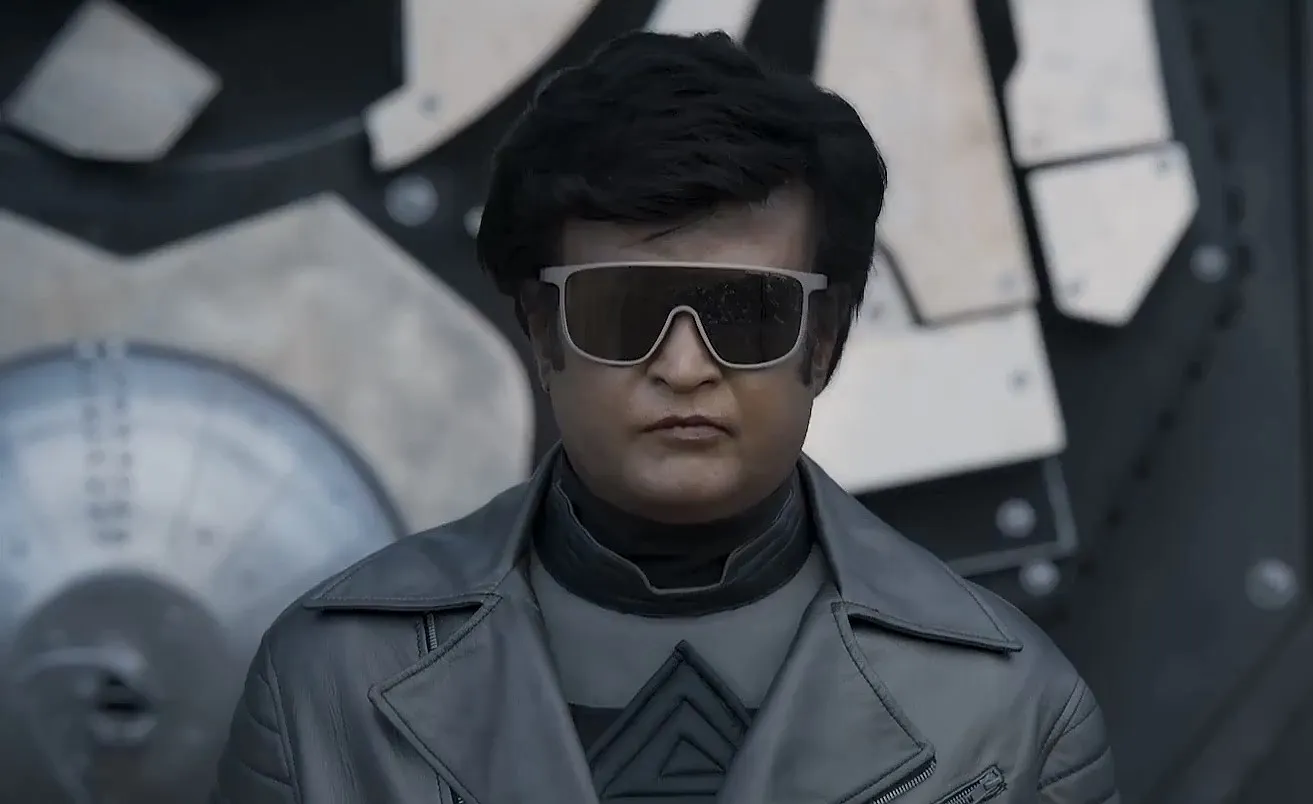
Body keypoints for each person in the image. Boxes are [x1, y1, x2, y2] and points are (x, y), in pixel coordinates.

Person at [207, 30, 1116, 804]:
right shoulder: (329, 684)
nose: (684, 368)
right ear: (543, 330)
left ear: (825, 340)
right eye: (622, 309)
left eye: (746, 312)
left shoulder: (1014, 712)